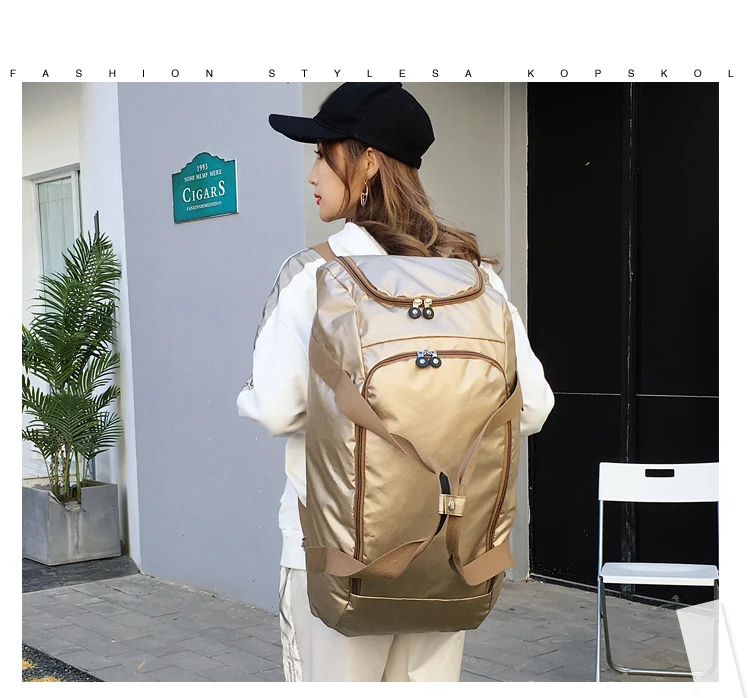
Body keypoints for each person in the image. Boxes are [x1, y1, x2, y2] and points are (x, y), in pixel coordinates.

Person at [237, 82, 555, 682]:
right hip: (448, 552)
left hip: (335, 552)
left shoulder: (314, 275)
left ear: (368, 162)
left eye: (324, 152)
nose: (312, 172)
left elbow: (276, 409)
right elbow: (533, 406)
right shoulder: (475, 279)